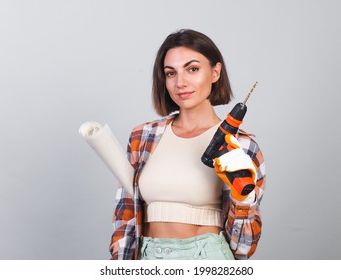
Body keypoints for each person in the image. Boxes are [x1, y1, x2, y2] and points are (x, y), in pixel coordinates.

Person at [109, 29, 266, 260]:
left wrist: (244, 198)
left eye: (193, 69)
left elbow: (243, 247)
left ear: (215, 72)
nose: (180, 82)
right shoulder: (143, 137)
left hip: (208, 258)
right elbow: (125, 217)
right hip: (149, 256)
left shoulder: (242, 146)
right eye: (171, 73)